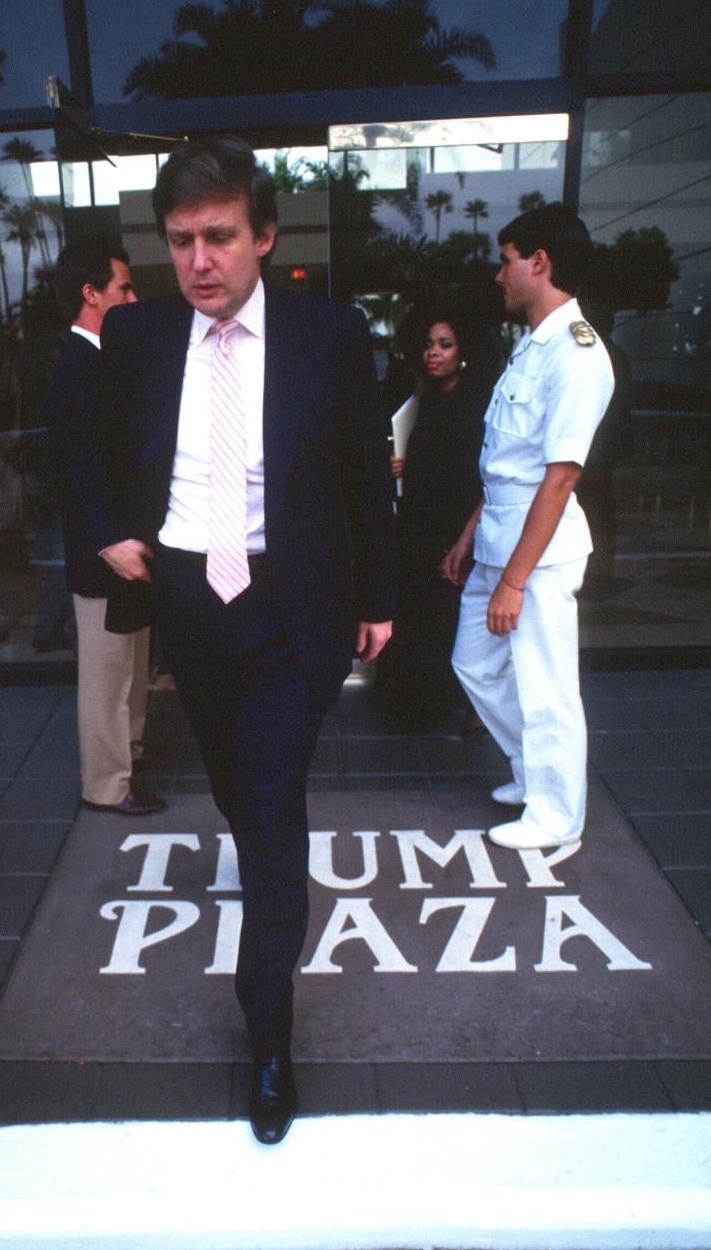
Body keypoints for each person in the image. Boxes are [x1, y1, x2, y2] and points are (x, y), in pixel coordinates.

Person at [98, 137, 396, 1144]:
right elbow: (85, 447)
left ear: (263, 237)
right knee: (234, 790)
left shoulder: (327, 335)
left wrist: (381, 593)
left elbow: (367, 472)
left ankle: (269, 1039)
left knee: (270, 825)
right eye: (180, 240)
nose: (200, 261)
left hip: (286, 609)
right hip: (187, 602)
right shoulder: (137, 337)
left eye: (220, 236)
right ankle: (254, 841)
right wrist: (104, 530)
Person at [444, 203, 614, 851]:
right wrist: (469, 537)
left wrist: (514, 581)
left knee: (546, 687)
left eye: (505, 259)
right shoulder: (533, 348)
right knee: (474, 662)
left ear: (538, 262)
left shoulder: (577, 354)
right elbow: (505, 466)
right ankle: (534, 772)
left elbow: (560, 477)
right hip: (499, 540)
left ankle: (555, 816)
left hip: (537, 556)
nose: (499, 275)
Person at [48, 240, 165, 817]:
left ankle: (129, 756)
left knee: (131, 665)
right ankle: (107, 785)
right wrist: (107, 542)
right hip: (105, 556)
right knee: (106, 676)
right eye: (124, 288)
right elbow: (74, 466)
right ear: (91, 294)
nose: (134, 298)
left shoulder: (103, 359)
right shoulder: (75, 365)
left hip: (128, 548)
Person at [384, 313, 500, 730]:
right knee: (423, 614)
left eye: (446, 344)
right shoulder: (427, 397)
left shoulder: (480, 404)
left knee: (457, 617)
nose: (433, 352)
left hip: (460, 526)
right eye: (430, 343)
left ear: (464, 352)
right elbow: (429, 459)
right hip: (421, 524)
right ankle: (424, 703)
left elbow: (487, 478)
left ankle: (469, 706)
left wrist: (465, 541)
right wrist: (403, 465)